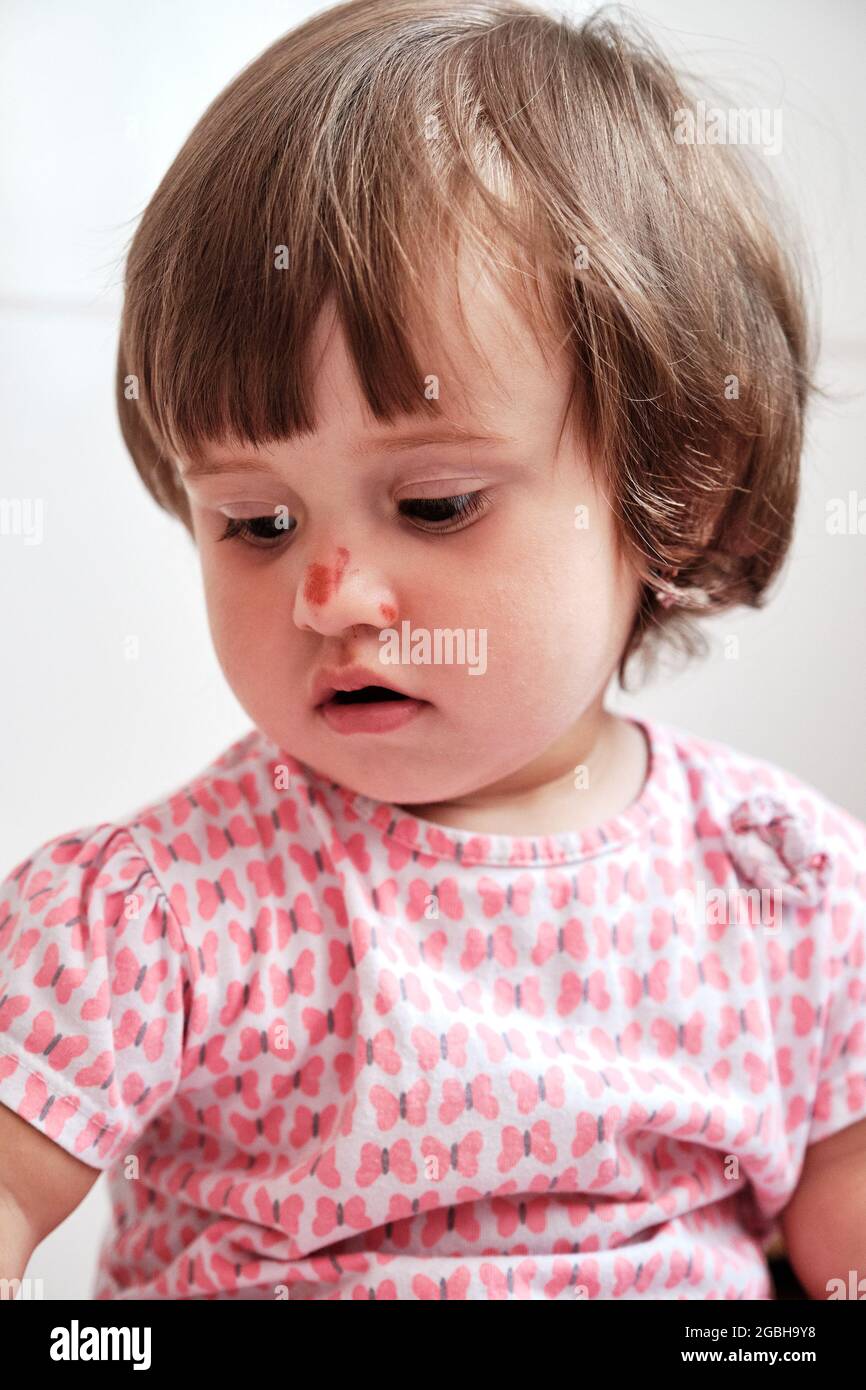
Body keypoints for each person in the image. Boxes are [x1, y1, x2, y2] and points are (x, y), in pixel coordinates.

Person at [1, 0, 863, 1300]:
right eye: (256, 521)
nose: (330, 595)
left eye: (434, 504)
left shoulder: (786, 886)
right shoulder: (160, 917)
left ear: (671, 501)